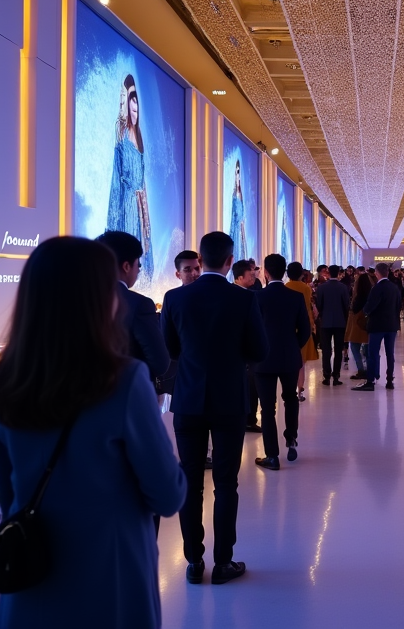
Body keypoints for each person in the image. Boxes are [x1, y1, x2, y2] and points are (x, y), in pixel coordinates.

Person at [0, 236, 186, 628]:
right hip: (111, 580)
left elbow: (8, 494)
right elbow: (167, 495)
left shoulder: (2, 383)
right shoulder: (125, 381)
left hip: (31, 580)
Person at [161, 232, 268, 585]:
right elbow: (258, 351)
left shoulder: (174, 298)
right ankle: (223, 562)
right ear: (228, 261)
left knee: (190, 482)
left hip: (188, 400)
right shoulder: (243, 300)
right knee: (226, 482)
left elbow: (171, 350)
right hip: (228, 401)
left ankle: (193, 561)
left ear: (201, 260)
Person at [252, 255, 312, 471]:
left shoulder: (257, 297)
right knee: (291, 398)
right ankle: (291, 438)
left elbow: (251, 331)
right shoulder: (295, 297)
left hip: (263, 360)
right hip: (289, 357)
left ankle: (272, 456)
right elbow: (305, 330)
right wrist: (292, 346)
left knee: (267, 408)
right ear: (284, 272)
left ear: (266, 272)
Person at [97, 231, 171, 396]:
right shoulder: (139, 304)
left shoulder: (77, 299)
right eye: (139, 265)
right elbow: (160, 362)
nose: (138, 271)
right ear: (126, 266)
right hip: (129, 396)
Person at [108, 73, 153, 288]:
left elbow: (141, 180)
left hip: (140, 205)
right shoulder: (121, 133)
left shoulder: (139, 136)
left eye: (136, 99)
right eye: (130, 99)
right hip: (127, 204)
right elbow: (117, 178)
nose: (134, 105)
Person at [357, 262, 400, 391]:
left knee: (373, 353)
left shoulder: (377, 288)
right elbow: (398, 306)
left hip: (377, 325)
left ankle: (370, 380)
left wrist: (364, 312)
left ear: (377, 273)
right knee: (390, 353)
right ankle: (389, 380)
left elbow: (370, 306)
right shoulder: (394, 287)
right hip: (391, 325)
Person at [232, 260, 262, 433]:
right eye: (251, 273)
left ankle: (249, 419)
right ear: (239, 277)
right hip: (240, 353)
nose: (254, 275)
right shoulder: (235, 295)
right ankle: (246, 419)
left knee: (251, 386)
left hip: (247, 352)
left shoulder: (252, 291)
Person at [285, 261, 320, 392]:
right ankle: (300, 388)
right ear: (301, 274)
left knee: (290, 358)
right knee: (302, 361)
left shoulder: (286, 286)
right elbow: (309, 308)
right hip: (304, 324)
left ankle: (291, 387)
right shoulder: (306, 288)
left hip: (289, 325)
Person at [316, 262, 350, 386]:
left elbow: (319, 304)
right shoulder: (343, 287)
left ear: (329, 273)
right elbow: (346, 305)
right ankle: (336, 376)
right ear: (339, 273)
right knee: (338, 349)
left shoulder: (322, 287)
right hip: (340, 322)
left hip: (325, 322)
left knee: (326, 350)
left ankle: (326, 376)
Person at [345, 273, 371, 380]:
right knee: (367, 348)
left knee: (355, 346)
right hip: (367, 324)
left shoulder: (358, 297)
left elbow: (354, 309)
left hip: (357, 324)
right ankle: (369, 369)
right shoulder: (371, 294)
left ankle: (361, 369)